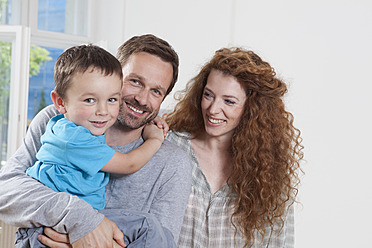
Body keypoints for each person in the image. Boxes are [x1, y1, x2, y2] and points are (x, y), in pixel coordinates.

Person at [0, 34, 191, 248]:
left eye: (156, 91)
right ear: (115, 77)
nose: (142, 99)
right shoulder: (55, 120)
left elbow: (161, 243)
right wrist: (81, 220)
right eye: (135, 82)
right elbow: (6, 190)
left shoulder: (173, 163)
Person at [166, 47, 304, 247]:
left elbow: (280, 242)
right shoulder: (170, 145)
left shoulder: (268, 172)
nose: (213, 109)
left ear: (253, 109)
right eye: (208, 95)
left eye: (229, 101)